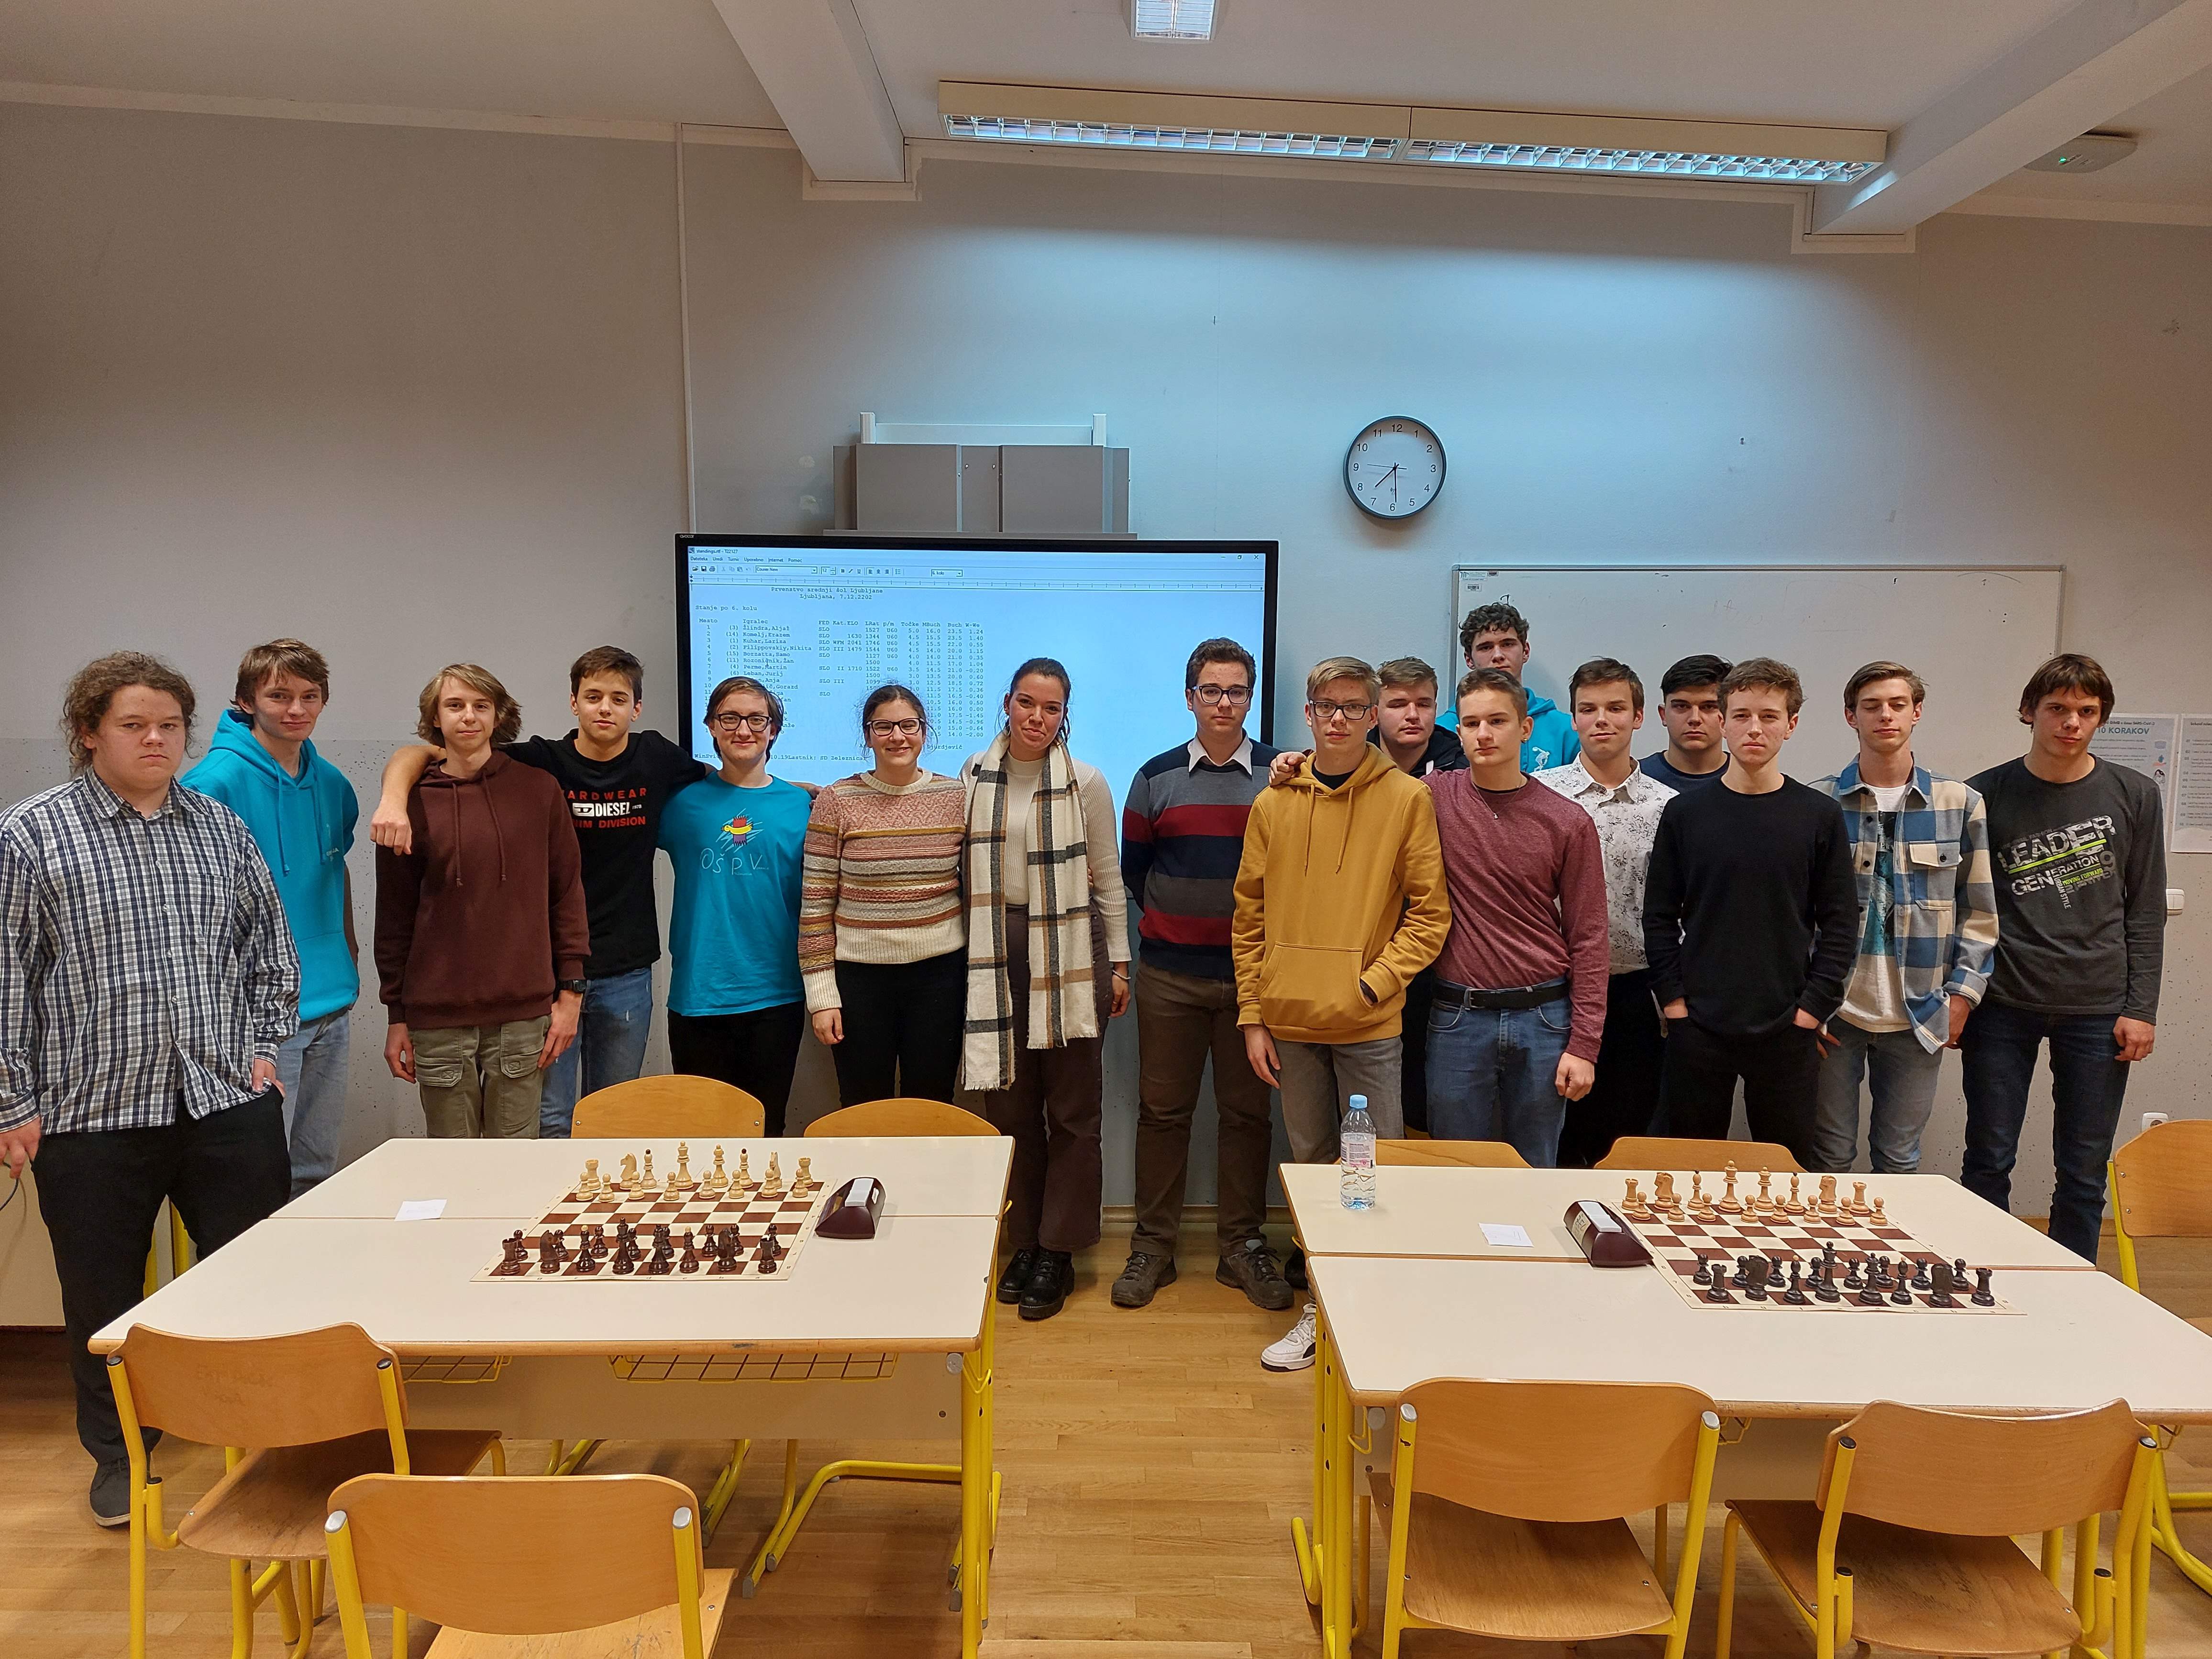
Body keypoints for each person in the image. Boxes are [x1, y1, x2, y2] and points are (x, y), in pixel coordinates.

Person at [0, 653, 298, 1526]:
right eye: (134, 725)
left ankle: (268, 1436)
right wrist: (12, 1101)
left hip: (224, 1100)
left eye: (170, 725)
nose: (156, 739)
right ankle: (122, 1458)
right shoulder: (30, 835)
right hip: (91, 1112)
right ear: (89, 732)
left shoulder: (219, 828)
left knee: (259, 1280)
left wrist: (262, 1045)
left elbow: (269, 947)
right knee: (103, 1300)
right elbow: (6, 977)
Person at [373, 646, 706, 1136]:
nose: (605, 708)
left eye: (618, 698)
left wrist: (791, 788)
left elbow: (726, 777)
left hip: (626, 968)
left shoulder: (655, 757)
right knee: (550, 1120)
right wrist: (392, 798)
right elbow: (427, 752)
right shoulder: (542, 765)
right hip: (548, 974)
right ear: (574, 702)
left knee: (613, 1118)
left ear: (636, 708)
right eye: (593, 696)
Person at [1236, 657, 1448, 1371]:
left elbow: (1429, 915)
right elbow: (1249, 916)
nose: (1338, 719)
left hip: (1366, 1028)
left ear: (1373, 716)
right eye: (1326, 706)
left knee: (1368, 1180)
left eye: (1354, 707)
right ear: (1308, 712)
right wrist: (1253, 1013)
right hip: (1289, 1027)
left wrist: (1371, 986)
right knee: (1313, 1174)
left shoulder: (1406, 799)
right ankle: (1321, 1311)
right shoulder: (1273, 803)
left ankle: (1378, 1316)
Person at [1962, 653, 2166, 1261]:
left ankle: (2073, 1286)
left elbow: (2145, 910)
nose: (2071, 723)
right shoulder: (1982, 794)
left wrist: (2141, 1008)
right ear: (2029, 712)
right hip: (2001, 1002)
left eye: (2086, 711)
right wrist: (1958, 994)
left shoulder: (2135, 794)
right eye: (2057, 709)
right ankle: (1981, 1276)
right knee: (1988, 1158)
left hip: (2098, 1008)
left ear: (2100, 718)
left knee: (2082, 1168)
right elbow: (1962, 907)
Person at [1115, 639, 1285, 1312]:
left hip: (1255, 983)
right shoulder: (1154, 776)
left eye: (1236, 691)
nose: (1223, 703)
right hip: (1170, 977)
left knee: (1247, 1115)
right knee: (1163, 1114)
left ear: (1250, 698)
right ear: (1190, 698)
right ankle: (1153, 1247)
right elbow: (1136, 871)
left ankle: (1242, 1245)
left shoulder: (1281, 774)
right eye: (1210, 691)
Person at [963, 660, 1132, 1323]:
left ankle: (1059, 1250)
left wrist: (1120, 964)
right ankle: (1025, 1241)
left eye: (1052, 708)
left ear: (1065, 715)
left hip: (1070, 950)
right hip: (995, 946)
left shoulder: (1086, 781)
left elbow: (1109, 877)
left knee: (1072, 1110)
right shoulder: (975, 773)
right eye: (1027, 703)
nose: (1037, 717)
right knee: (1009, 1110)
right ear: (1008, 703)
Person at [1643, 657, 1857, 1167]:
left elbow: (1841, 923)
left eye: (1768, 716)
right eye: (1741, 715)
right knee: (1688, 1173)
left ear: (1792, 724)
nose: (1754, 728)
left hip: (1788, 1027)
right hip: (1698, 1024)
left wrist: (1811, 1010)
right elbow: (1657, 916)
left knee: (1783, 1175)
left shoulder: (1818, 815)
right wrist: (1674, 1003)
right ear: (1722, 721)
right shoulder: (1685, 814)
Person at [375, 664, 587, 1139]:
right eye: (454, 706)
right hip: (437, 1017)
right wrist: (397, 1015)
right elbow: (393, 918)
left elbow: (566, 894)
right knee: (453, 1162)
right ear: (435, 717)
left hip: (523, 1014)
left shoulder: (539, 790)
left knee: (515, 1159)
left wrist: (571, 994)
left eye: (480, 706)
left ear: (498, 716)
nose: (468, 716)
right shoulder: (408, 804)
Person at [184, 640, 360, 1195]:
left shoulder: (332, 783)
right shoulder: (213, 785)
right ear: (246, 701)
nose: (296, 709)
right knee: (261, 1177)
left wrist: (350, 956)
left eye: (310, 696)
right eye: (279, 696)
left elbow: (334, 872)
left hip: (332, 1004)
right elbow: (197, 909)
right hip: (259, 1018)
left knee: (316, 1171)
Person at [1809, 662, 1999, 1175]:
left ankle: (1889, 1238)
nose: (1885, 716)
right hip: (1834, 1011)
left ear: (1916, 713)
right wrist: (1804, 1002)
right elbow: (1795, 914)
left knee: (1899, 1161)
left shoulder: (1960, 803)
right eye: (1871, 706)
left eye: (1897, 705)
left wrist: (1963, 996)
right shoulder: (1817, 802)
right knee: (1828, 1158)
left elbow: (1980, 913)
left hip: (1920, 1012)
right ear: (1850, 716)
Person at [1424, 669, 1607, 1165]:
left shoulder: (1568, 820)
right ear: (1458, 732)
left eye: (1497, 721)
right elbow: (1364, 780)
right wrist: (1298, 763)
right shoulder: (1432, 796)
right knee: (1455, 1170)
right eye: (1471, 724)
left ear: (1525, 728)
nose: (1484, 734)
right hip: (1459, 1018)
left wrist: (1584, 1045)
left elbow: (1589, 937)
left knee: (1535, 1170)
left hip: (1544, 1019)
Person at [1535, 658, 1677, 1167]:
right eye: (1588, 709)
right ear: (1573, 718)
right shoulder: (1540, 793)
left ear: (1638, 717)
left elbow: (1679, 908)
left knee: (1622, 1139)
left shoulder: (1669, 807)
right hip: (1553, 989)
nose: (1601, 720)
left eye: (1616, 708)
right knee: (1554, 1134)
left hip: (1636, 990)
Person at [799, 684, 969, 1107]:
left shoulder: (956, 797)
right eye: (884, 727)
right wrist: (822, 997)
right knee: (863, 1108)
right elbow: (816, 904)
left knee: (932, 1105)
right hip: (859, 982)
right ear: (868, 734)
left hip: (940, 978)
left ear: (924, 732)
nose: (898, 737)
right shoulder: (837, 801)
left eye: (909, 725)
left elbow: (986, 874)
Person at [657, 676, 812, 1134]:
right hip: (699, 994)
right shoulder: (680, 805)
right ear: (710, 726)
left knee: (765, 1129)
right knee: (702, 1136)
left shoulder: (801, 805)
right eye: (730, 718)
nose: (743, 730)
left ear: (773, 730)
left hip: (775, 993)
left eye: (756, 719)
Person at [1437, 601, 1578, 771]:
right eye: (1486, 647)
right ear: (1469, 659)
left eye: (1507, 644)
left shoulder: (1565, 730)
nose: (1498, 655)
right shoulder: (1443, 731)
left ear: (1526, 651)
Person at [1640, 654, 1733, 792]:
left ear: (1728, 715)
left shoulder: (1750, 780)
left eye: (1709, 707)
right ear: (1663, 715)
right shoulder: (1635, 778)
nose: (1695, 719)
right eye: (1682, 706)